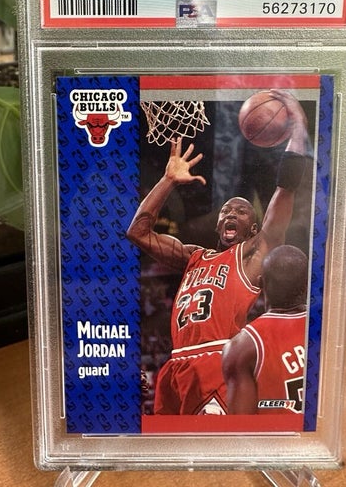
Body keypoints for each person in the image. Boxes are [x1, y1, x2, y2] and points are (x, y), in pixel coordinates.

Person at [127, 90, 309, 415]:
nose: (230, 214)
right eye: (225, 211)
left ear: (254, 229)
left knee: (216, 437)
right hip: (175, 366)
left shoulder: (251, 258)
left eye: (241, 211)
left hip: (216, 361)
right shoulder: (193, 257)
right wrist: (168, 180)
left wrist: (298, 131)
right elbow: (137, 232)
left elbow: (285, 191)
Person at [222, 245, 308, 422]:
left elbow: (239, 426)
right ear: (307, 283)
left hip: (279, 437)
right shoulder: (330, 328)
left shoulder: (241, 347)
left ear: (261, 283)